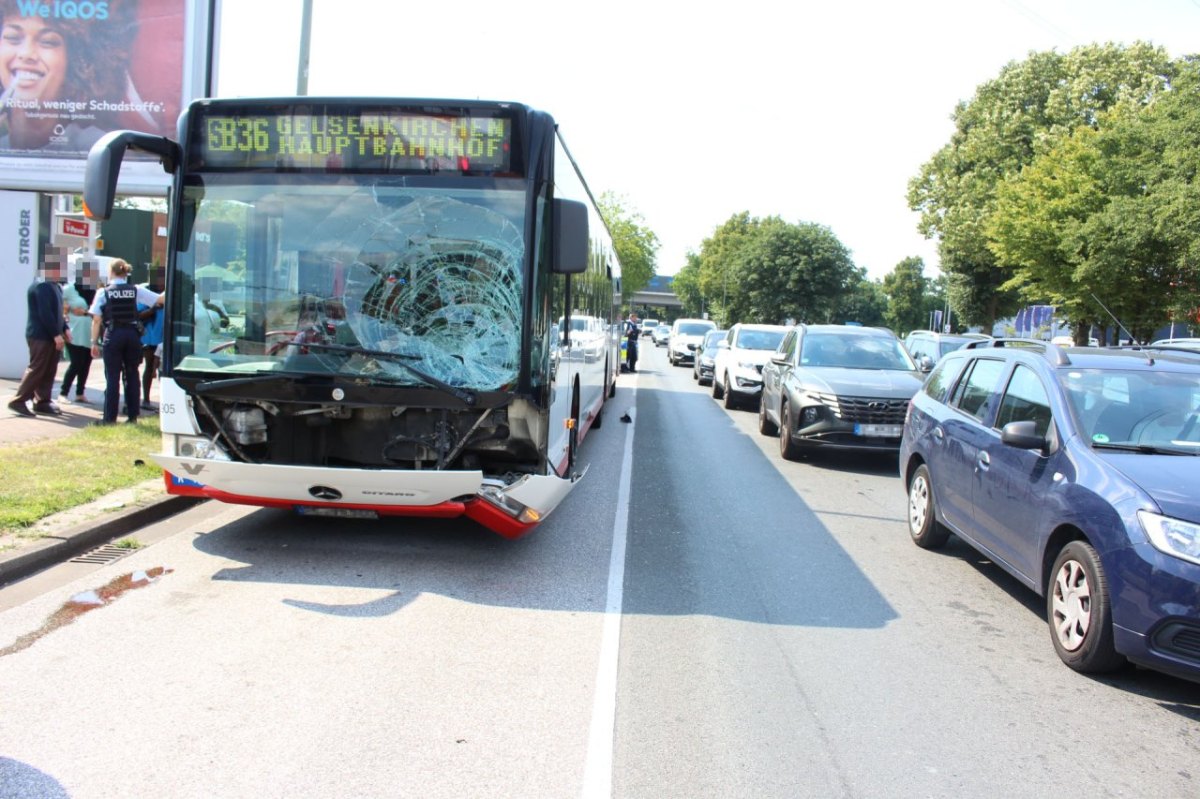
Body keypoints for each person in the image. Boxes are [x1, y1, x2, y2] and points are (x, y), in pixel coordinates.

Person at [0, 0, 138, 153]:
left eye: (48, 41)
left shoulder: (100, 149)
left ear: (76, 61)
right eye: (12, 38)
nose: (26, 54)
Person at [89, 259, 162, 424]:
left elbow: (96, 320)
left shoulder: (104, 292)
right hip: (133, 335)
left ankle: (109, 418)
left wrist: (94, 342)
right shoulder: (136, 290)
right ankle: (132, 416)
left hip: (113, 334)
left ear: (111, 272)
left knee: (113, 377)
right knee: (132, 375)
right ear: (126, 273)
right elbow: (159, 300)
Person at [8, 257, 70, 416]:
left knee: (49, 369)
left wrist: (65, 328)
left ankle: (42, 401)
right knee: (38, 368)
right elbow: (45, 313)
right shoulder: (41, 286)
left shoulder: (55, 287)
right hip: (40, 336)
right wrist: (56, 334)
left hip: (51, 335)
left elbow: (57, 313)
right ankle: (19, 400)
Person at [58, 268, 99, 404]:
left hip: (89, 332)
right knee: (76, 363)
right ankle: (63, 393)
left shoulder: (95, 292)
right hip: (74, 331)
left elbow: (97, 312)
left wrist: (86, 313)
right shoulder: (69, 289)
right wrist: (68, 309)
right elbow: (59, 302)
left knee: (86, 363)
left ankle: (80, 393)